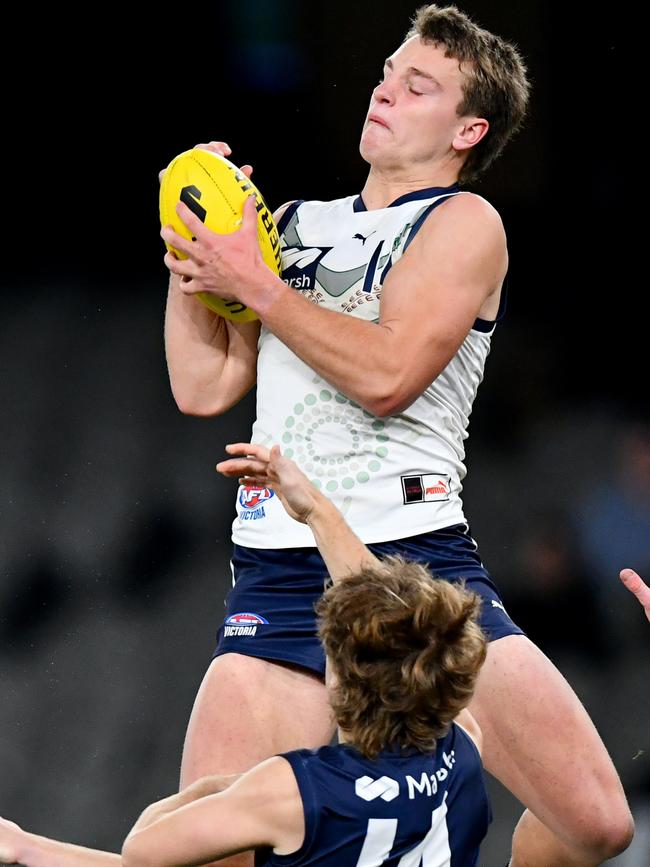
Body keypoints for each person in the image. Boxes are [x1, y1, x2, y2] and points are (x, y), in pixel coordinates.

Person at [161, 5, 633, 866]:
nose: (385, 88)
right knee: (203, 853)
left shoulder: (465, 225)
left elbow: (387, 377)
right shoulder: (293, 224)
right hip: (281, 567)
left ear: (468, 127)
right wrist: (196, 263)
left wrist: (257, 287)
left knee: (596, 822)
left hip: (417, 567)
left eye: (418, 84)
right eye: (386, 72)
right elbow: (203, 387)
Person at [0, 446, 491, 867]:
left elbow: (142, 853)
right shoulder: (463, 747)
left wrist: (219, 789)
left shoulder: (291, 792)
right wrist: (316, 512)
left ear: (342, 682)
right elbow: (398, 633)